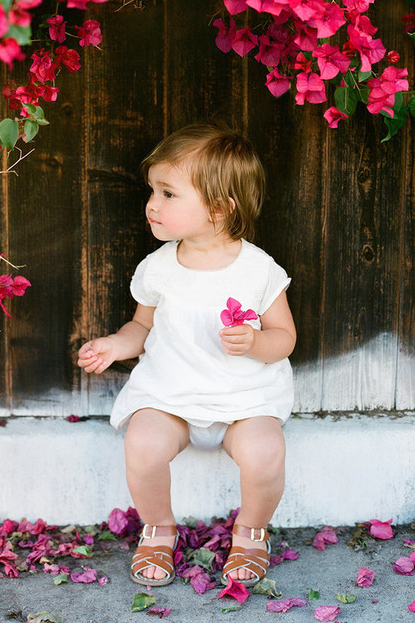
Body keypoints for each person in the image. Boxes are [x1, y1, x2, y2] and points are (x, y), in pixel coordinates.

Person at [77, 123, 296, 589]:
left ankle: (251, 531)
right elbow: (142, 326)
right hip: (171, 396)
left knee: (265, 452)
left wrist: (256, 343)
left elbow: (285, 337)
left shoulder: (258, 269)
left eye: (169, 193)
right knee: (143, 442)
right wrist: (117, 345)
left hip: (243, 401)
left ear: (218, 208)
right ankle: (158, 528)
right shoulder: (159, 266)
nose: (152, 204)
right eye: (153, 190)